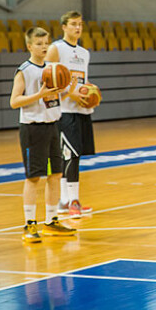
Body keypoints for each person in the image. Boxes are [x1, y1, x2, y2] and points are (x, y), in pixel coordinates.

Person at [10, 27, 76, 242]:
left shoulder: (53, 68)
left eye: (46, 43)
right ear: (29, 46)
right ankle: (29, 225)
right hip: (33, 129)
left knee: (56, 174)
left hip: (52, 126)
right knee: (33, 177)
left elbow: (54, 98)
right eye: (39, 44)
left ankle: (51, 221)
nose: (44, 47)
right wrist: (39, 94)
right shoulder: (24, 70)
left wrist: (68, 89)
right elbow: (14, 102)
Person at [46, 11, 94, 218]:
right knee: (70, 155)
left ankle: (65, 201)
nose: (77, 28)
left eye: (80, 24)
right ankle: (72, 201)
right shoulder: (56, 49)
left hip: (81, 109)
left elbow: (82, 82)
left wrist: (90, 92)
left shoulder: (84, 53)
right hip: (64, 110)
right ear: (64, 26)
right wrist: (69, 93)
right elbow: (47, 80)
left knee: (76, 155)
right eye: (73, 24)